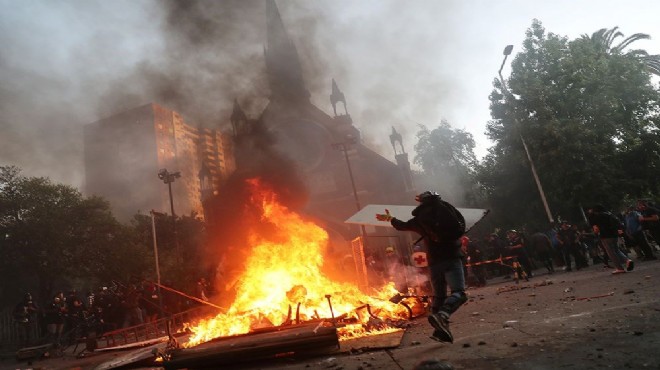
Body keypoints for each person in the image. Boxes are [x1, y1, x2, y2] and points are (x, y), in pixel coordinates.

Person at [376, 191, 466, 343]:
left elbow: (402, 226)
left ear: (421, 202)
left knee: (439, 296)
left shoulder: (419, 219)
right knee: (459, 293)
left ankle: (440, 332)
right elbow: (460, 225)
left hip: (434, 262)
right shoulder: (447, 211)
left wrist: (390, 218)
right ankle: (443, 315)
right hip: (452, 257)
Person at [587, 205, 634, 274]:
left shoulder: (595, 217)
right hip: (614, 234)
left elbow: (596, 229)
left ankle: (619, 268)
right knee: (616, 250)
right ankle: (627, 260)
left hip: (605, 236)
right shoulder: (609, 214)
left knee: (611, 252)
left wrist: (595, 233)